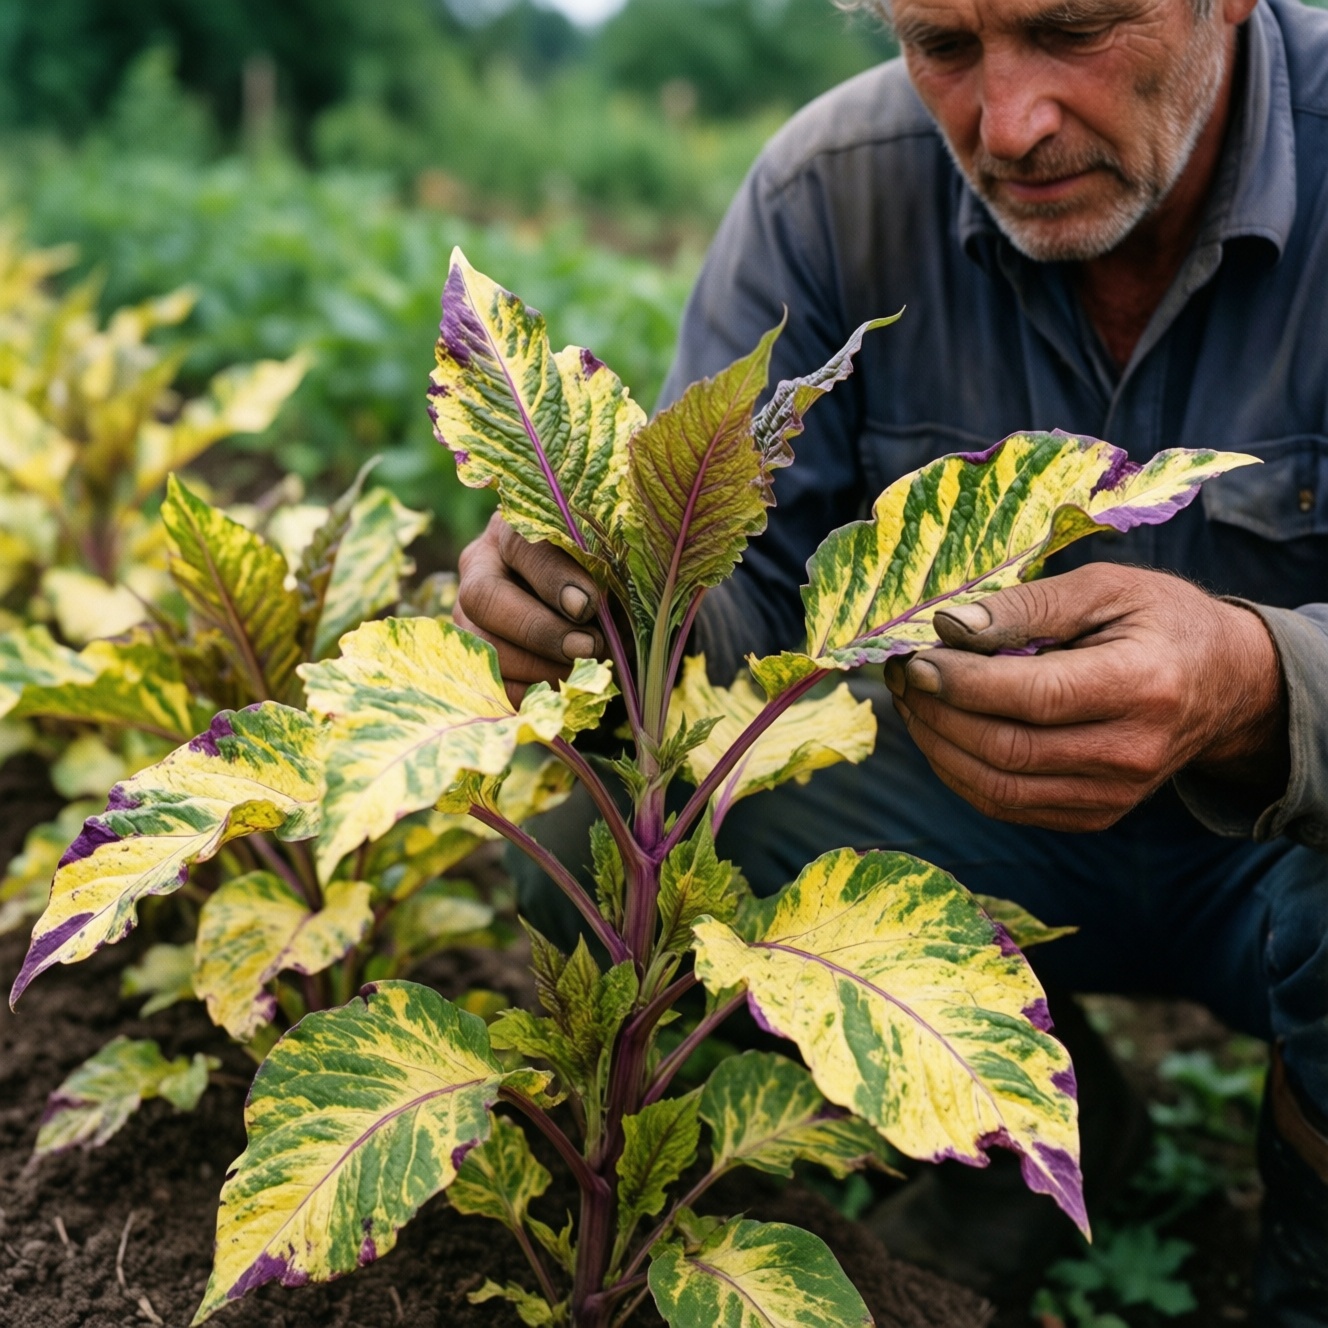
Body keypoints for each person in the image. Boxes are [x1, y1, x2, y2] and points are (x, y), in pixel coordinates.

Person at [452, 0, 1328, 1320]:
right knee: (603, 838)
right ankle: (1017, 1134)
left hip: (1290, 848)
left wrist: (1260, 685)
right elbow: (739, 599)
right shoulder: (829, 194)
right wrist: (608, 609)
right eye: (947, 48)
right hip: (976, 815)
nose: (1010, 124)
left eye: (1075, 28)